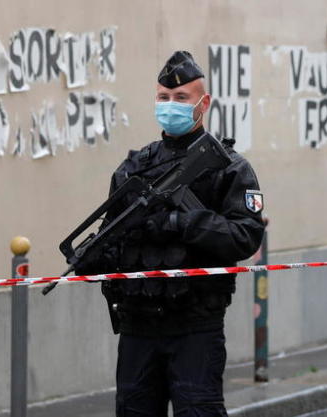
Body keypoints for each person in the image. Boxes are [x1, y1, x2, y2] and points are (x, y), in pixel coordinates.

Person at [78, 51, 265, 416]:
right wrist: (94, 258)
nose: (170, 106)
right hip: (138, 326)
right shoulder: (133, 169)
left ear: (203, 103)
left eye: (181, 98)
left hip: (195, 326)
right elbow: (112, 235)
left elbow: (245, 236)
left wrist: (182, 223)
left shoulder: (229, 169)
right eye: (163, 98)